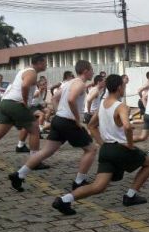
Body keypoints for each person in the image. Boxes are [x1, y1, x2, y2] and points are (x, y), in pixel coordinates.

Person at [52, 74, 149, 215]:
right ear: (119, 87)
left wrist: (102, 143)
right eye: (124, 86)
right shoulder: (121, 106)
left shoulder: (102, 104)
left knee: (98, 186)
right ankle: (130, 196)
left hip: (106, 149)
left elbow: (91, 126)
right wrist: (130, 145)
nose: (124, 88)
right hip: (120, 148)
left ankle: (64, 199)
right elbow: (127, 127)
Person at [8, 60, 98, 192]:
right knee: (91, 149)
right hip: (69, 122)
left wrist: (58, 112)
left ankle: (19, 174)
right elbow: (71, 99)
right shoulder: (79, 84)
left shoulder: (68, 83)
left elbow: (54, 98)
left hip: (59, 120)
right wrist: (77, 119)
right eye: (91, 69)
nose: (93, 72)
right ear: (85, 71)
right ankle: (79, 181)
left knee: (46, 151)